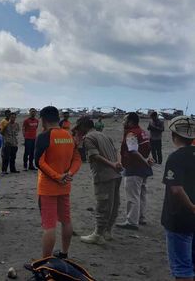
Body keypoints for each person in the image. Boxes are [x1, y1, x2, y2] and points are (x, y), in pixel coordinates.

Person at [34, 106, 81, 258]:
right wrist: (69, 174)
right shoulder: (68, 135)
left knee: (49, 225)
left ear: (44, 119)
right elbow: (77, 159)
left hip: (48, 188)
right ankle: (64, 253)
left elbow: (39, 162)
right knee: (66, 220)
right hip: (65, 185)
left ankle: (45, 260)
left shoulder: (44, 136)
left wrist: (57, 176)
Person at [74, 117, 123, 245]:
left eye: (79, 128)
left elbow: (95, 156)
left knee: (103, 204)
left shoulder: (89, 138)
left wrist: (112, 165)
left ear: (84, 126)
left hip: (104, 175)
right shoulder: (104, 135)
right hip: (116, 175)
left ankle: (97, 234)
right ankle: (108, 231)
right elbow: (117, 151)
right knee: (114, 204)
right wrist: (117, 163)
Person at [161, 116, 195, 281]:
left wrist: (192, 207)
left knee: (182, 268)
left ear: (174, 135)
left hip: (179, 218)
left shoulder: (175, 157)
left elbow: (176, 189)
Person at [116, 112, 154, 230]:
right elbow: (148, 148)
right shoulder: (143, 132)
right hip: (143, 170)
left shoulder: (131, 134)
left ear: (130, 122)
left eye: (124, 120)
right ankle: (141, 218)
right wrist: (147, 161)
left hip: (134, 168)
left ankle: (132, 221)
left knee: (133, 196)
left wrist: (144, 162)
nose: (123, 122)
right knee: (141, 194)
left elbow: (133, 151)